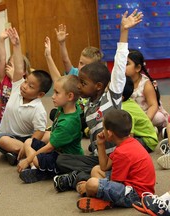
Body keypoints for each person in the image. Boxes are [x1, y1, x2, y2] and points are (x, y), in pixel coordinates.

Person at [52, 9, 143, 193]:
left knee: (97, 173)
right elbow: (62, 83)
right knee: (62, 160)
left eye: (83, 84)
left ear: (99, 86)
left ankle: (79, 178)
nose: (79, 86)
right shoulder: (86, 103)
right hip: (99, 158)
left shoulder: (111, 96)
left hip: (116, 160)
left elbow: (118, 67)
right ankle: (83, 177)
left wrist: (124, 32)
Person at [17, 48, 84, 183]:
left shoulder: (68, 124)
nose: (52, 97)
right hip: (58, 147)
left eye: (56, 93)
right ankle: (37, 168)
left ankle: (38, 170)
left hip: (65, 159)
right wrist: (48, 55)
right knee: (29, 141)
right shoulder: (67, 104)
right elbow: (57, 79)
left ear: (70, 96)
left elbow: (49, 148)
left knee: (35, 158)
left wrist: (27, 160)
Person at [76, 109, 155, 212]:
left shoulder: (122, 153)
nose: (102, 131)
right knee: (96, 169)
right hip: (133, 185)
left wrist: (87, 187)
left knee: (91, 184)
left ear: (109, 133)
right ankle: (101, 198)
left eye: (103, 128)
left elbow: (116, 182)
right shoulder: (127, 143)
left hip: (135, 196)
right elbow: (104, 167)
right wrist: (100, 144)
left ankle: (104, 201)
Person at [0, 27, 52, 166]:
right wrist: (16, 45)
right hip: (9, 137)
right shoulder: (16, 89)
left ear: (40, 95)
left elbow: (39, 131)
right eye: (26, 82)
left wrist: (29, 143)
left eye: (31, 86)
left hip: (29, 138)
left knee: (52, 136)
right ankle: (33, 155)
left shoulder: (38, 109)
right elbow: (19, 70)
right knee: (1, 140)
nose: (25, 86)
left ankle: (22, 154)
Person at [126, 49, 169, 129]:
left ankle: (153, 129)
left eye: (126, 64)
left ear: (138, 68)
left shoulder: (145, 84)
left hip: (146, 114)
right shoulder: (122, 81)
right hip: (131, 114)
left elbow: (153, 105)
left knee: (159, 117)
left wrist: (146, 121)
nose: (122, 66)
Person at [122, 76, 158, 152]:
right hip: (140, 134)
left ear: (120, 97)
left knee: (124, 147)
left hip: (147, 140)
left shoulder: (124, 109)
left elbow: (130, 135)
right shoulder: (127, 100)